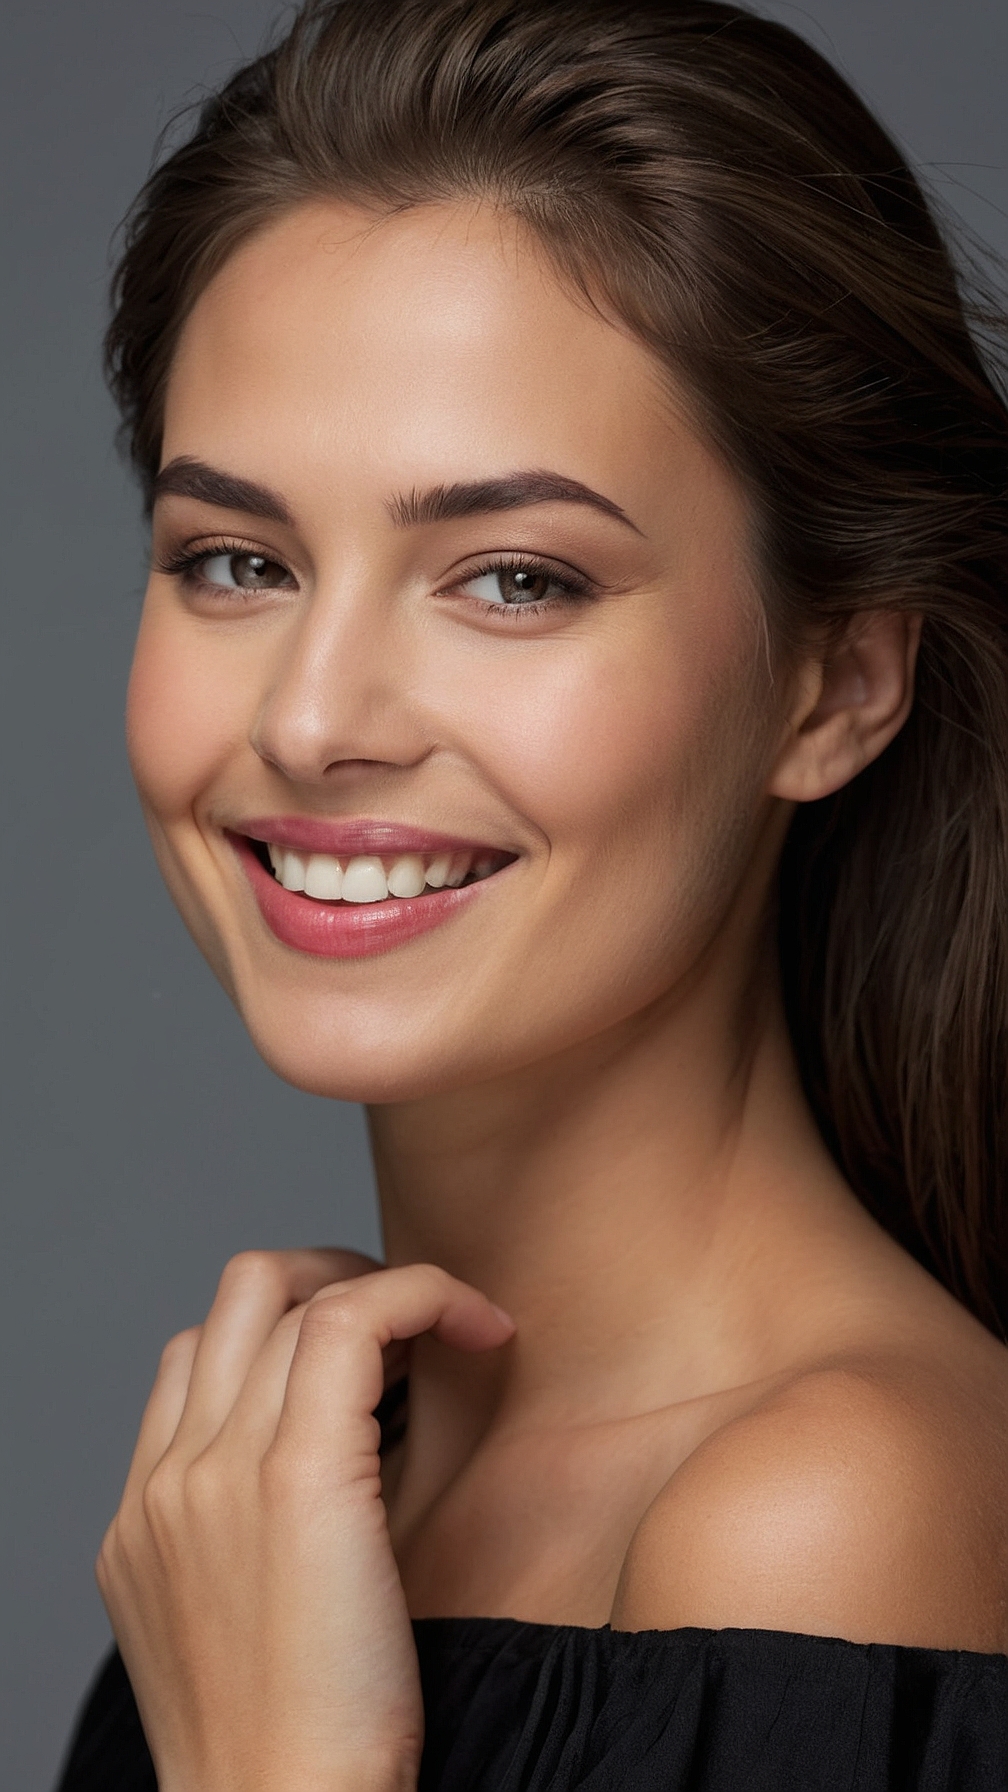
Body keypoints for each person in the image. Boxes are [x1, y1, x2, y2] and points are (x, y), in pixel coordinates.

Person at [57, 0, 1008, 1786]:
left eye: (511, 580)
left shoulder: (828, 1517)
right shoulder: (297, 1475)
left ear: (836, 686)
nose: (314, 719)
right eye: (238, 560)